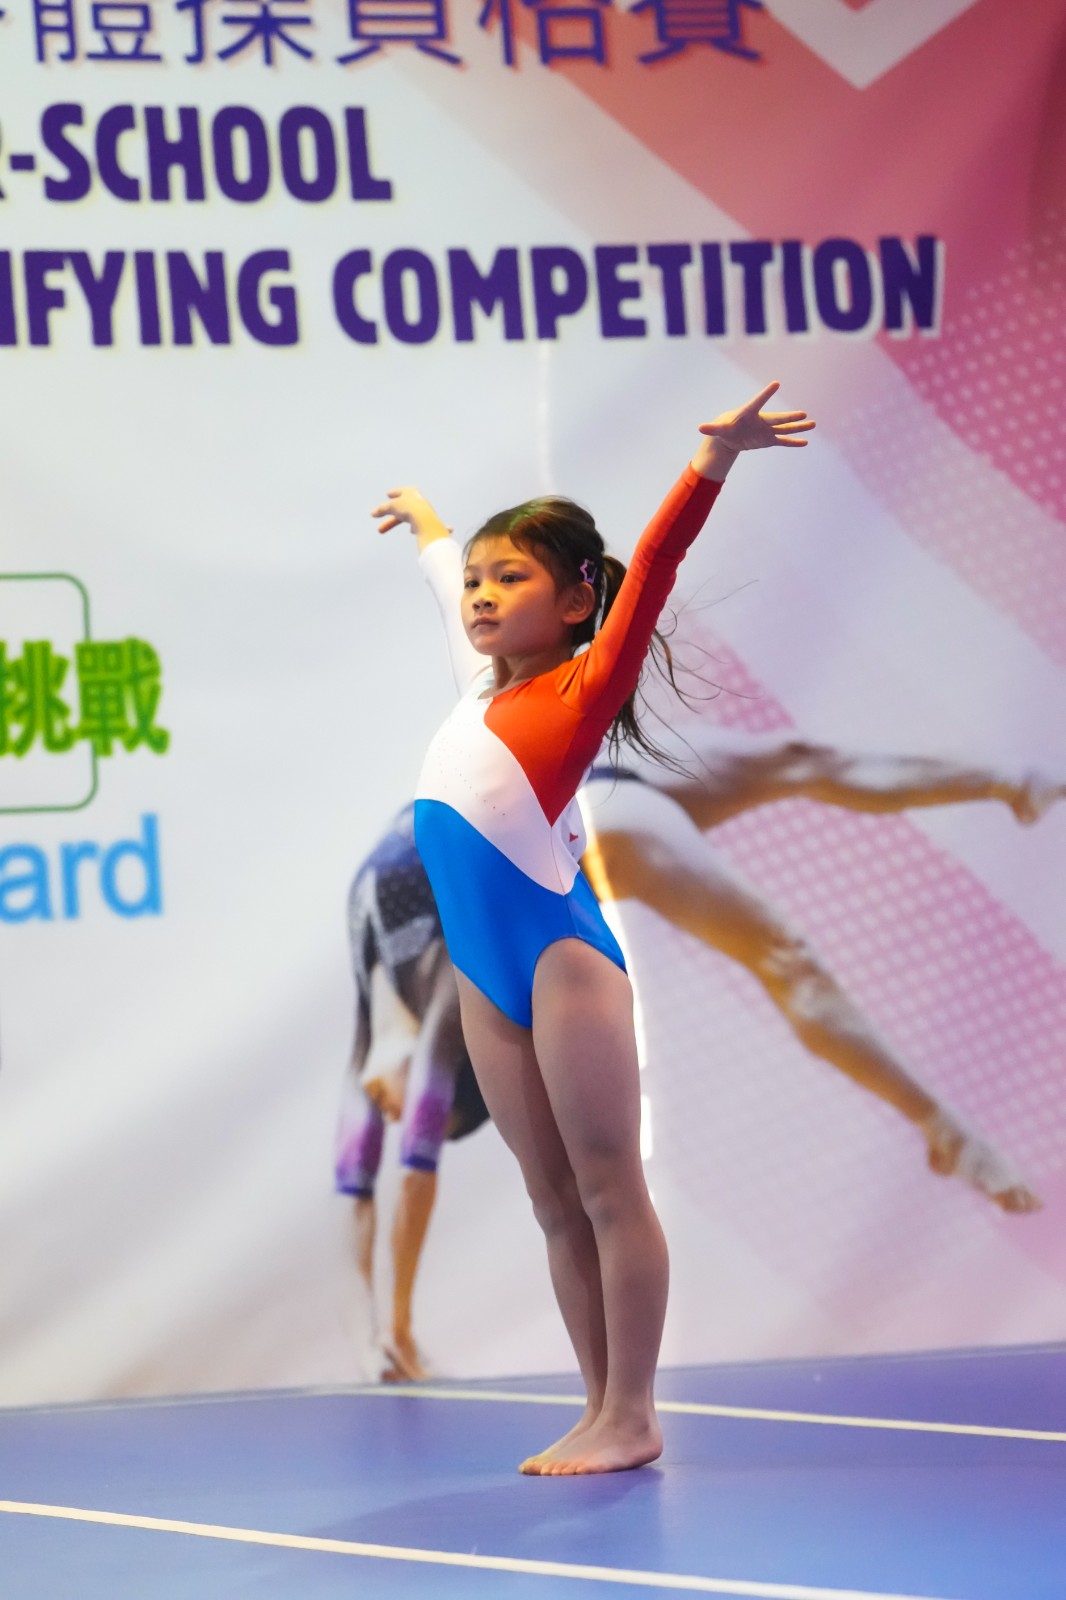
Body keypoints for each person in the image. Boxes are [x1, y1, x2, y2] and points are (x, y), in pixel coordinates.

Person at [369, 380, 814, 1476]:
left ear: (575, 602)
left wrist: (712, 460)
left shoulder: (578, 694)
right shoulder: (474, 690)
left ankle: (635, 1409)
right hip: (486, 976)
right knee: (552, 1199)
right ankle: (598, 1405)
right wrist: (429, 524)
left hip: (563, 963)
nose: (479, 595)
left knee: (610, 1187)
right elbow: (442, 579)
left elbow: (652, 568)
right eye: (477, 581)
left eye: (508, 578)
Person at [579, 734, 1060, 1213]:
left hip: (592, 772)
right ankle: (952, 1136)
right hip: (585, 820)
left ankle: (1018, 785)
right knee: (787, 959)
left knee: (800, 758)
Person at [334, 804, 489, 1381]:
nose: (399, 1120)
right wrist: (394, 1328)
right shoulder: (446, 999)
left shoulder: (367, 1052)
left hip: (424, 836)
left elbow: (352, 1195)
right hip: (459, 820)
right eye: (424, 1114)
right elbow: (415, 1173)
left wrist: (371, 1345)